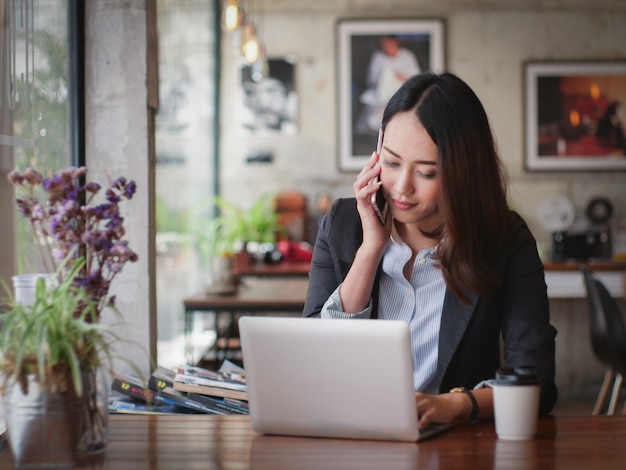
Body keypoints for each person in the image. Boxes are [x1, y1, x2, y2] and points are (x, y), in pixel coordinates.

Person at [304, 72, 558, 430]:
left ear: (464, 171)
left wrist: (452, 405)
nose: (402, 188)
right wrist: (371, 248)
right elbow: (316, 360)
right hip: (348, 438)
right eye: (391, 163)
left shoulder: (505, 239)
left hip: (454, 449)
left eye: (426, 172)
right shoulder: (344, 223)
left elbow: (535, 382)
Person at [357, 36, 421, 134]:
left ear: (396, 42)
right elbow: (372, 79)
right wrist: (386, 78)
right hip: (382, 94)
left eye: (388, 44)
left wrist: (402, 77)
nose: (386, 47)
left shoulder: (407, 56)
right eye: (383, 45)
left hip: (403, 93)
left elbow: (417, 78)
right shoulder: (378, 57)